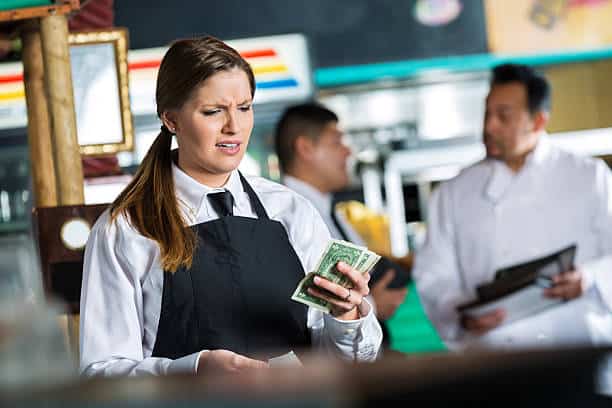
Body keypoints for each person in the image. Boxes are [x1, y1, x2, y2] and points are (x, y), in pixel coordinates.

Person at [79, 36, 382, 376]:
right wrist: (194, 370)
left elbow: (348, 362)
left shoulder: (291, 211)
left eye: (244, 107)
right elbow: (101, 375)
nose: (234, 127)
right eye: (213, 112)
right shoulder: (126, 229)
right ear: (171, 120)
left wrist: (346, 317)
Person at [412, 63, 612, 349]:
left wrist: (589, 278)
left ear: (539, 121)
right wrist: (462, 314)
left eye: (503, 116)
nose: (489, 126)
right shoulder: (453, 193)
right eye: (487, 114)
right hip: (497, 357)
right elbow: (434, 274)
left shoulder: (589, 175)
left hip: (579, 344)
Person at [274, 103, 409, 345]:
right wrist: (374, 305)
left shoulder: (332, 212)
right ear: (305, 148)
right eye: (337, 143)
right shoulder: (283, 217)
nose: (348, 152)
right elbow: (306, 306)